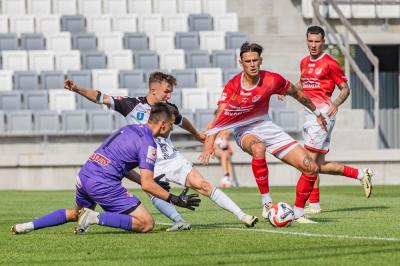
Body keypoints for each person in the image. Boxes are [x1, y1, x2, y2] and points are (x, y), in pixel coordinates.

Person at [63, 72, 258, 228]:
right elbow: (101, 97)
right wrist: (78, 89)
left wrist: (197, 134)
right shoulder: (132, 105)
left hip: (172, 158)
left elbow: (182, 121)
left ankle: (242, 215)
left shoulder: (169, 107)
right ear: (153, 90)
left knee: (204, 185)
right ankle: (179, 221)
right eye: (167, 91)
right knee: (154, 191)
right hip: (149, 161)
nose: (169, 95)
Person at [12, 103, 201, 235]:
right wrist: (176, 199)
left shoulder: (128, 129)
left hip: (85, 175)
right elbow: (147, 185)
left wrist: (146, 180)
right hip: (103, 182)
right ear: (163, 124)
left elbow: (121, 165)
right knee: (146, 223)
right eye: (171, 127)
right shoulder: (149, 143)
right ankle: (95, 218)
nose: (171, 131)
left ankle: (26, 226)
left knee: (75, 213)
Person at [200, 42, 328, 223]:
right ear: (241, 63)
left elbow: (297, 94)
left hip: (266, 125)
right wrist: (209, 144)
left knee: (311, 167)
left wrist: (317, 113)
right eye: (247, 61)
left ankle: (298, 214)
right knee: (258, 148)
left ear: (260, 61)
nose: (252, 64)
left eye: (255, 60)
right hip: (244, 129)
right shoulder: (233, 86)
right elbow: (219, 116)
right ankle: (267, 203)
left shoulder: (272, 79)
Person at [294, 25, 373, 214]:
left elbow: (345, 88)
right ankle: (361, 175)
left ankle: (302, 206)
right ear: (306, 40)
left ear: (323, 42)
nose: (313, 45)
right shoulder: (304, 62)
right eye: (310, 41)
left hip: (322, 116)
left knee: (307, 162)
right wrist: (288, 91)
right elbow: (303, 81)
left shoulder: (329, 63)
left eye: (317, 41)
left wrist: (336, 104)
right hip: (309, 115)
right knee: (318, 165)